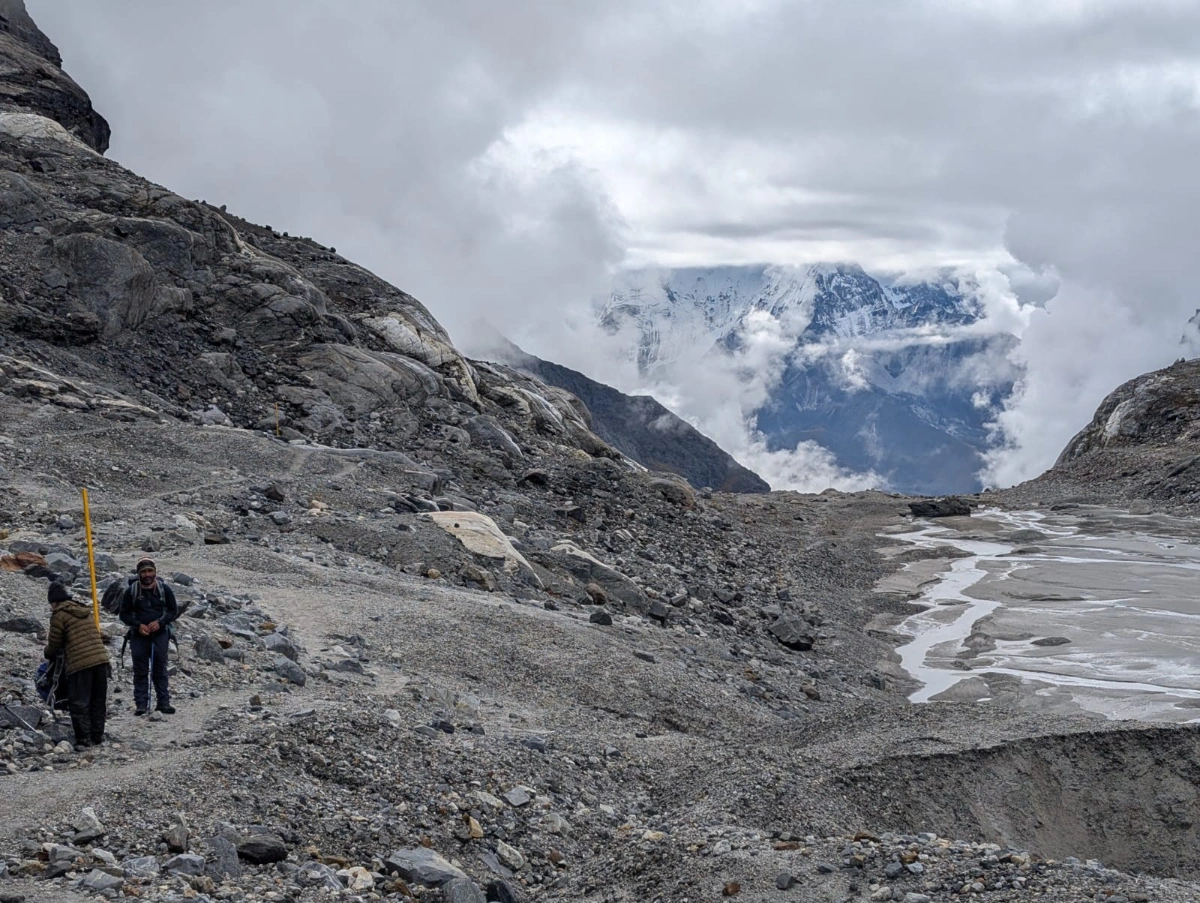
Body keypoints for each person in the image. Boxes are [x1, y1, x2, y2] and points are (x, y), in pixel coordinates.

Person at [43, 582, 111, 748]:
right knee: (97, 700)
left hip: (80, 664)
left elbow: (54, 644)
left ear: (53, 602)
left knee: (79, 701)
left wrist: (47, 654)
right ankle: (98, 735)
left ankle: (83, 739)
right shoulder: (84, 610)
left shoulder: (59, 615)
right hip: (102, 660)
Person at [118, 557, 178, 716]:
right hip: (138, 635)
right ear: (138, 574)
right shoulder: (131, 591)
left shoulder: (164, 590)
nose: (147, 574)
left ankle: (163, 703)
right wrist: (138, 626)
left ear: (155, 572)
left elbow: (173, 611)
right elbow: (123, 614)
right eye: (143, 572)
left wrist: (161, 622)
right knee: (140, 670)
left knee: (160, 668)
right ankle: (141, 705)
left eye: (150, 571)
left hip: (160, 633)